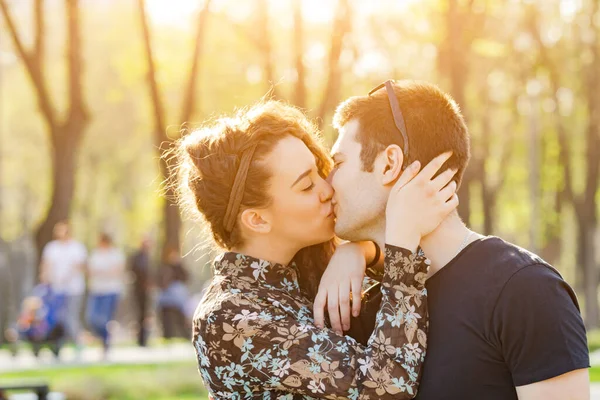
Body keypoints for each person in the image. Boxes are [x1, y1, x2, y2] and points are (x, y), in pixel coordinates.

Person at [315, 79, 590, 399]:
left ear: (389, 164)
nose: (327, 183)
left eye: (338, 163)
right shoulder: (363, 307)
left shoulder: (524, 289)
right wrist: (354, 251)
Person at [176, 101, 458, 398]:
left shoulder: (306, 270)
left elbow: (420, 286)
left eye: (320, 171)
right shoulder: (231, 319)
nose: (327, 189)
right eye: (306, 186)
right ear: (257, 219)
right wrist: (402, 240)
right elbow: (387, 388)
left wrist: (363, 252)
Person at [39, 221, 87, 354]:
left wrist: (68, 276)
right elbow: (45, 265)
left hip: (74, 289)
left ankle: (78, 343)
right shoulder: (52, 248)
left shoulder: (77, 247)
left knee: (71, 317)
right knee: (57, 318)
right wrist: (45, 278)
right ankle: (58, 346)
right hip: (56, 289)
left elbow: (81, 266)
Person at [86, 232, 125, 357]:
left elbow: (117, 271)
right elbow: (90, 271)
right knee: (91, 318)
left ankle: (105, 342)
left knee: (105, 319)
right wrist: (104, 272)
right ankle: (104, 337)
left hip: (110, 290)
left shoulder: (116, 254)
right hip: (97, 290)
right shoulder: (95, 254)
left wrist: (102, 272)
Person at [156, 247, 190, 339]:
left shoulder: (180, 269)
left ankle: (186, 334)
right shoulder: (165, 268)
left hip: (178, 295)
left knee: (181, 315)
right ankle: (167, 335)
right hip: (167, 295)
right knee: (166, 315)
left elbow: (186, 278)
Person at [129, 237, 152, 347]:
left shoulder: (149, 258)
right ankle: (140, 339)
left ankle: (144, 338)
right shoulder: (137, 257)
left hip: (146, 291)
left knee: (145, 315)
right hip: (138, 290)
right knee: (139, 314)